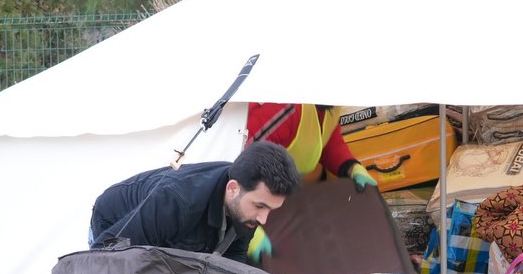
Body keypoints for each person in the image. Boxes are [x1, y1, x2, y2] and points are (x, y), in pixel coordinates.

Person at [88, 140, 300, 264]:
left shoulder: (247, 209)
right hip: (114, 226)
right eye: (260, 206)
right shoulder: (177, 201)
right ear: (232, 188)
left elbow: (233, 265)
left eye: (271, 209)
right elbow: (101, 258)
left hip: (167, 240)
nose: (263, 218)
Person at [246, 103, 378, 190]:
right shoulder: (284, 107)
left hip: (285, 192)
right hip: (251, 197)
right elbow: (239, 164)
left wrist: (353, 168)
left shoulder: (331, 105)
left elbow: (328, 140)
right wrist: (250, 226)